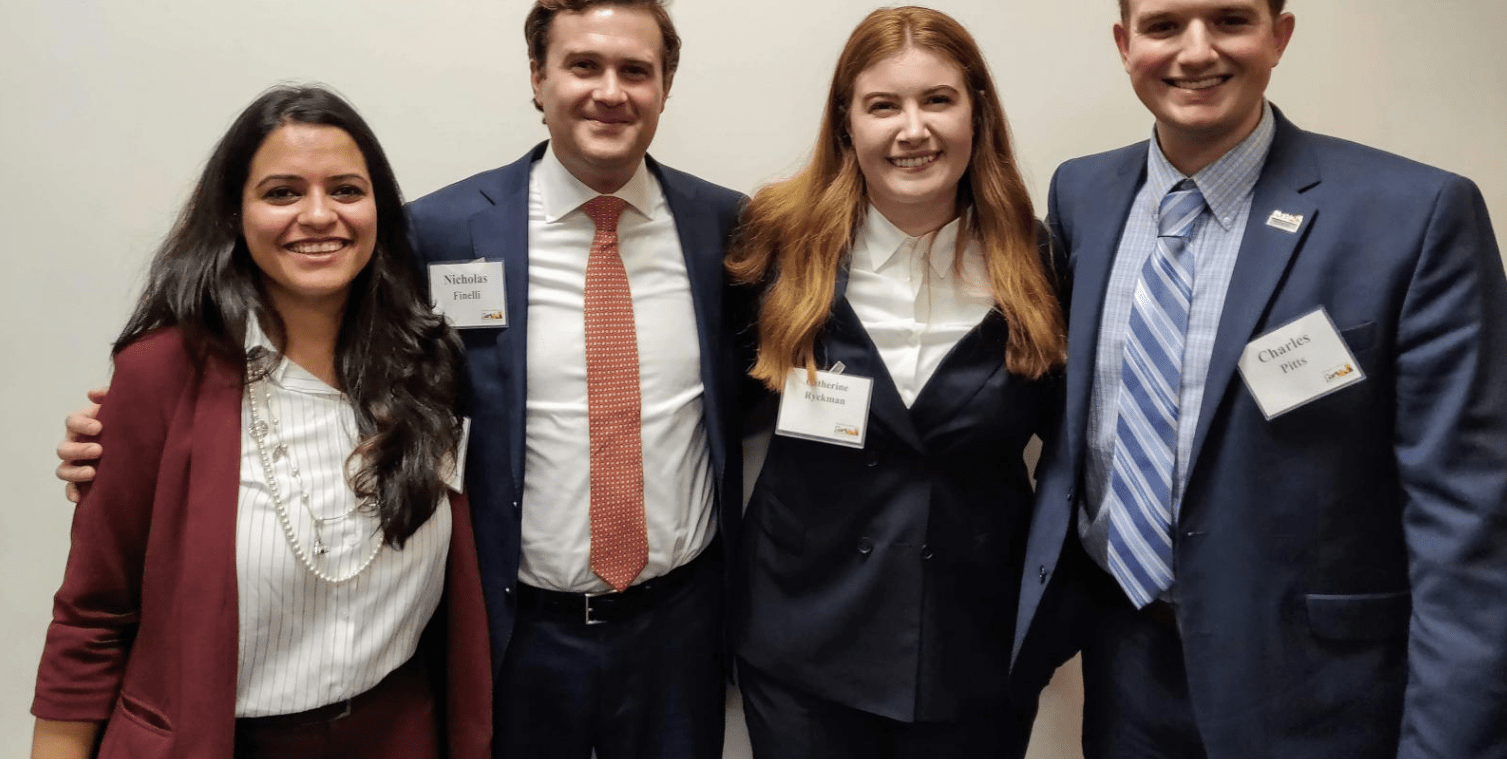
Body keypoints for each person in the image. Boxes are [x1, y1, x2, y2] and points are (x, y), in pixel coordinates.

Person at [58, 1, 742, 758]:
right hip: (514, 635)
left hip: (681, 627)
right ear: (537, 78)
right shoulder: (438, 231)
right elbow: (319, 343)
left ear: (665, 85)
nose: (609, 91)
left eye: (635, 70)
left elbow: (763, 390)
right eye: (583, 65)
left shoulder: (727, 228)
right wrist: (143, 435)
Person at [1011, 0, 1507, 757]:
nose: (1196, 51)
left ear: (1279, 36)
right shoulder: (1083, 195)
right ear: (1124, 44)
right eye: (1163, 25)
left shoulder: (1414, 215)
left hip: (1318, 691)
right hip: (1126, 666)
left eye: (1229, 20)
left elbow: (1467, 525)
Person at [31, 85, 490, 758]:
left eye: (345, 190)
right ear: (235, 213)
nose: (318, 215)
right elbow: (92, 616)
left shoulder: (426, 364)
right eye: (282, 193)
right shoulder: (162, 376)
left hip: (398, 734)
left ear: (379, 210)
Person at [725, 6, 1065, 757]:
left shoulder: (1042, 263)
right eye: (883, 106)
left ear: (976, 112)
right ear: (846, 124)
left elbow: (1077, 449)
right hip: (801, 650)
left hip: (975, 652)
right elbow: (720, 413)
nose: (913, 130)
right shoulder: (776, 248)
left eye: (938, 100)